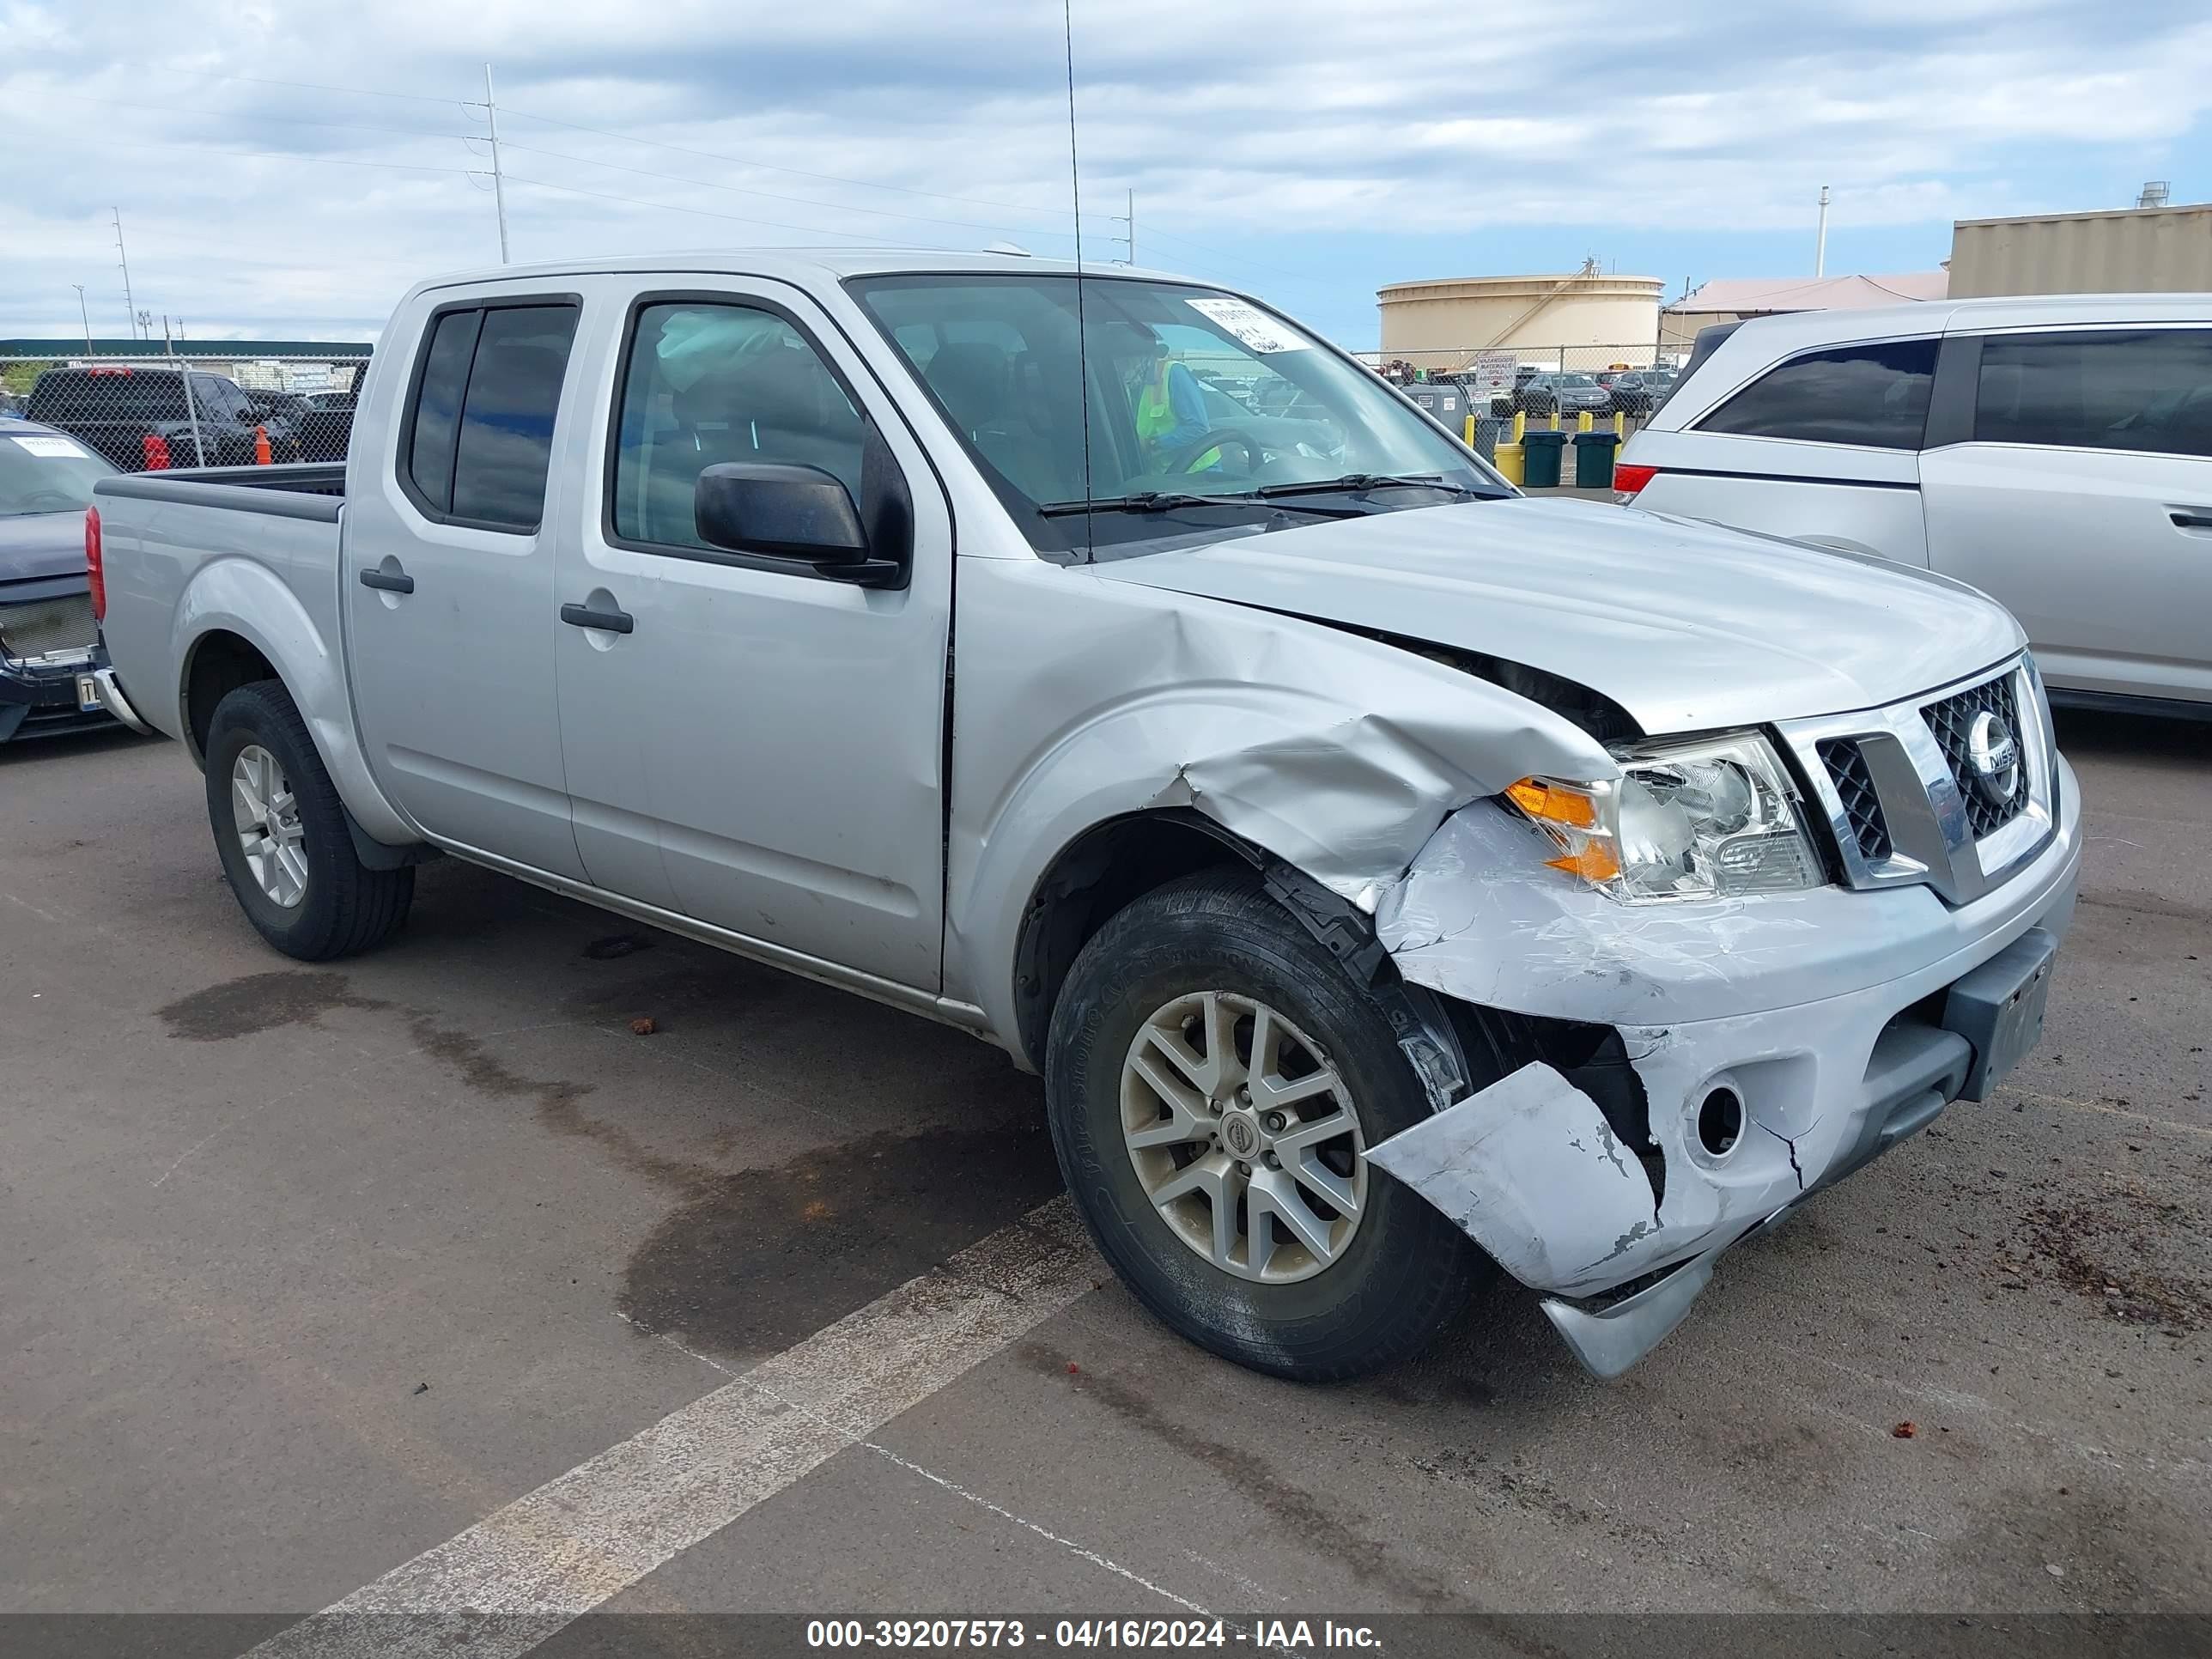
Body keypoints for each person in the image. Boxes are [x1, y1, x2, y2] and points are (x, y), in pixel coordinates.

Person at [1132, 336, 1218, 472]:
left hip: (1200, 473)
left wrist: (1152, 444)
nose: (1124, 366)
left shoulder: (1174, 373)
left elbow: (1198, 428)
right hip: (1164, 475)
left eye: (1127, 359)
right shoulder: (1133, 385)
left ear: (1146, 356)